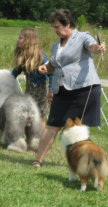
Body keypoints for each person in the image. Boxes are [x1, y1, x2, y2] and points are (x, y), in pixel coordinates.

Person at [32, 9, 106, 167]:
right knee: (52, 125)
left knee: (79, 130)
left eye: (58, 26)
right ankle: (37, 160)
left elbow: (92, 46)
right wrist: (46, 67)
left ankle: (90, 162)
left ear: (68, 24)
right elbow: (54, 64)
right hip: (62, 90)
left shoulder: (82, 37)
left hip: (84, 89)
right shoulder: (55, 46)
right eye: (54, 27)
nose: (56, 30)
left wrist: (98, 47)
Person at [11, 28, 53, 129]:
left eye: (21, 38)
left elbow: (52, 74)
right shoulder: (22, 54)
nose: (18, 40)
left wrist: (51, 91)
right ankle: (29, 139)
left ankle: (41, 142)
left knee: (39, 115)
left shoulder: (41, 56)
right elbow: (16, 71)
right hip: (30, 88)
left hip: (42, 89)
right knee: (27, 115)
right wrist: (6, 80)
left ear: (28, 41)